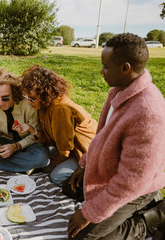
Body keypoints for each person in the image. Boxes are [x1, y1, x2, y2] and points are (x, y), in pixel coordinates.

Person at [64, 33, 165, 239]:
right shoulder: (118, 90)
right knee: (69, 186)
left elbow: (133, 181)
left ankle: (149, 219)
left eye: (105, 66)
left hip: (139, 187)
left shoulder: (148, 113)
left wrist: (89, 213)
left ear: (125, 68)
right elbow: (102, 135)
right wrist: (84, 165)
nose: (101, 71)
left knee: (81, 236)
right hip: (115, 176)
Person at [19, 65, 97, 185]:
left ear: (45, 94)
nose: (29, 102)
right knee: (41, 160)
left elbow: (65, 147)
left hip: (86, 153)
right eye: (27, 98)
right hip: (67, 149)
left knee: (56, 176)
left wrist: (60, 159)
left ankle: (88, 180)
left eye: (33, 99)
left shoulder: (60, 109)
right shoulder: (44, 106)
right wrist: (31, 129)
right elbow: (48, 138)